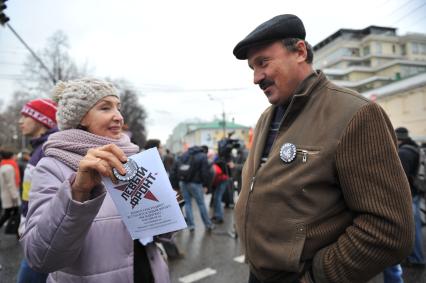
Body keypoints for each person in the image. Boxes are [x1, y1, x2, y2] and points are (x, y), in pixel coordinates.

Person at [232, 14, 414, 283]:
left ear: (300, 52)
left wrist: (317, 276)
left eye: (263, 63)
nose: (257, 77)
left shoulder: (356, 114)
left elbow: (388, 229)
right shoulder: (265, 120)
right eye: (252, 68)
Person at [20, 78, 170, 282]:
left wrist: (167, 212)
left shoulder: (134, 158)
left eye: (118, 107)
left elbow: (156, 235)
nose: (118, 116)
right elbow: (40, 258)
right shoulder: (52, 166)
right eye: (105, 108)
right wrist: (78, 192)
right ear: (81, 117)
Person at [16, 97, 58, 283]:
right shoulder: (40, 148)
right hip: (36, 232)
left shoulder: (48, 149)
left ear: (42, 120)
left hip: (41, 236)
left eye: (25, 116)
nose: (20, 121)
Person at [395, 127, 425, 268]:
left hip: (411, 193)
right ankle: (416, 257)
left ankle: (417, 259)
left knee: (412, 227)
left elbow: (402, 178)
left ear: (398, 138)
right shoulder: (414, 148)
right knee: (415, 225)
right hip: (418, 190)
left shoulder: (403, 152)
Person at [171, 145, 214, 231]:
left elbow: (175, 169)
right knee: (201, 204)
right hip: (196, 184)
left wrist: (175, 185)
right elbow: (205, 172)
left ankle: (191, 226)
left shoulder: (184, 155)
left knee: (187, 204)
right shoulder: (202, 156)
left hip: (183, 183)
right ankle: (208, 224)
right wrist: (206, 185)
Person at [0, 149, 21, 231]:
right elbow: (10, 184)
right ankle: (16, 232)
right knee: (9, 214)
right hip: (10, 195)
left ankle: (17, 232)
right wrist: (15, 196)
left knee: (12, 214)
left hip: (6, 194)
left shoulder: (3, 166)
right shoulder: (9, 168)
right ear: (11, 157)